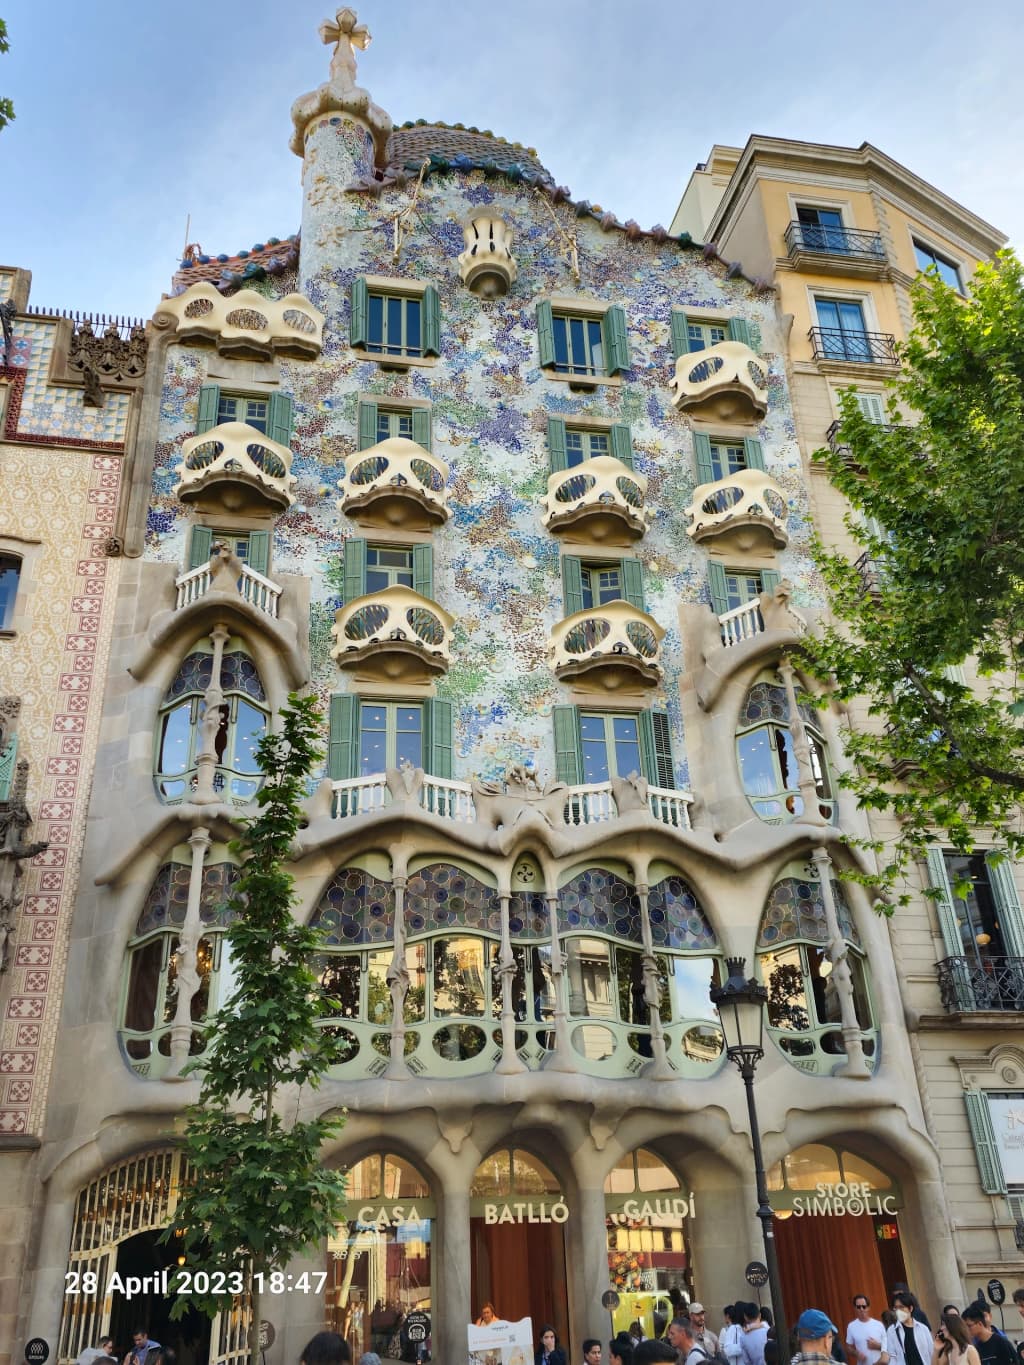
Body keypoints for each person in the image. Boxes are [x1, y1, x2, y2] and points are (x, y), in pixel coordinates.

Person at [887, 1294, 934, 1365]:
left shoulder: (923, 1329)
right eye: (896, 1308)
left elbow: (932, 1352)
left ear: (910, 1308)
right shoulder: (892, 1330)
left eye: (901, 1307)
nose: (898, 1311)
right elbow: (892, 1356)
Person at [848, 1296, 886, 1365]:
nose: (861, 1309)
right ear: (855, 1308)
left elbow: (890, 1347)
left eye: (864, 1306)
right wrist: (856, 1353)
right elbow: (848, 1347)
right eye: (858, 1307)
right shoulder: (851, 1326)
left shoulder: (879, 1325)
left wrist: (877, 1346)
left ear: (868, 1307)